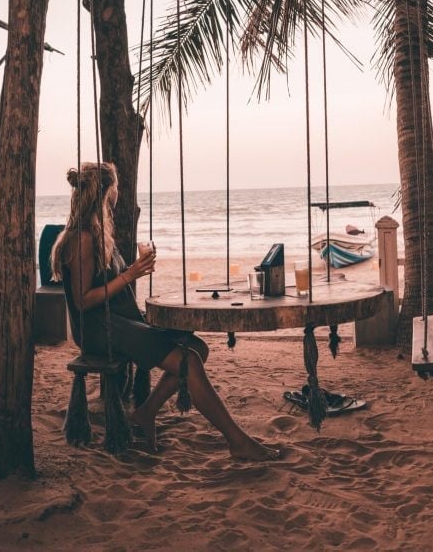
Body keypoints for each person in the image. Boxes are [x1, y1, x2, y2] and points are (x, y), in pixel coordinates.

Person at [51, 161, 280, 461]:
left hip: (118, 323)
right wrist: (131, 274)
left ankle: (145, 413)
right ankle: (237, 441)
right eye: (116, 186)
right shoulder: (81, 238)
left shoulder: (97, 233)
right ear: (106, 192)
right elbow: (82, 301)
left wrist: (134, 272)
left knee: (196, 347)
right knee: (189, 361)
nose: (119, 191)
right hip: (99, 330)